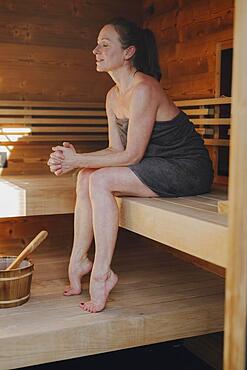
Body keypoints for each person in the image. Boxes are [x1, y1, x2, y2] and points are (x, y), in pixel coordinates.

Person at [47, 17, 213, 313]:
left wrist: (78, 160)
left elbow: (132, 156)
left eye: (105, 44)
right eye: (97, 44)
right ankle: (78, 260)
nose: (95, 50)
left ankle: (102, 274)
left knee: (98, 179)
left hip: (187, 168)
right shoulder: (112, 96)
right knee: (86, 176)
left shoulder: (144, 88)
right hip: (155, 164)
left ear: (128, 52)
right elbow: (116, 149)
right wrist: (77, 160)